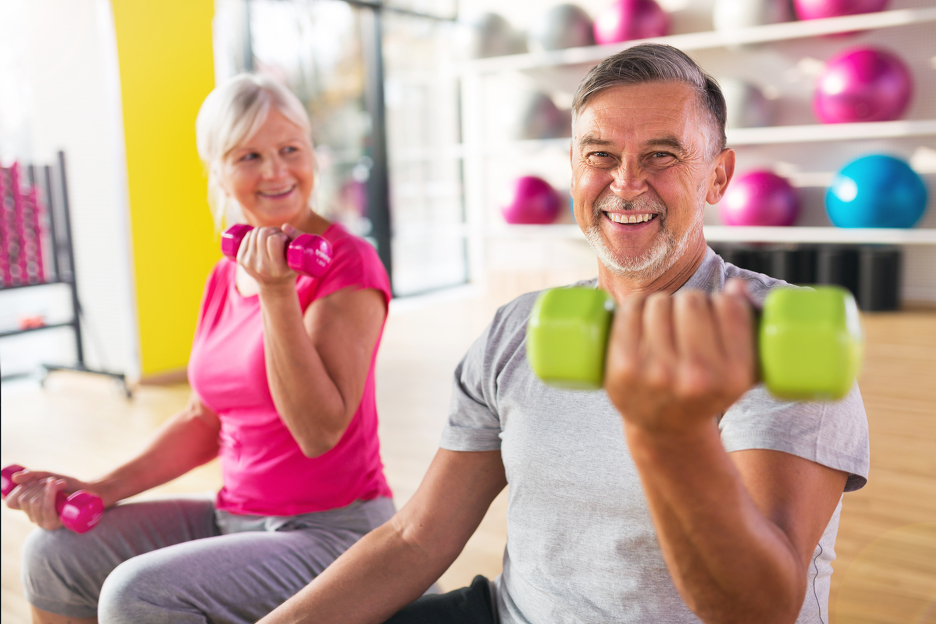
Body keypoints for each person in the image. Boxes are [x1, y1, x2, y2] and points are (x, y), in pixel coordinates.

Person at [257, 43, 870, 624]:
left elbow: (759, 610)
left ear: (717, 176)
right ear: (573, 169)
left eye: (662, 155)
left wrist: (672, 435)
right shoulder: (516, 330)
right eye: (600, 155)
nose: (626, 182)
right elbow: (416, 537)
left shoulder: (777, 336)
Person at [4, 73, 396, 624]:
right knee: (54, 555)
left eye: (290, 150)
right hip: (235, 517)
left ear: (313, 155)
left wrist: (277, 293)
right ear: (219, 171)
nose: (275, 171)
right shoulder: (222, 275)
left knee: (138, 594)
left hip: (335, 533)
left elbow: (319, 432)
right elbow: (203, 418)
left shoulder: (347, 263)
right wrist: (101, 488)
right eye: (249, 156)